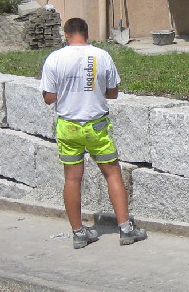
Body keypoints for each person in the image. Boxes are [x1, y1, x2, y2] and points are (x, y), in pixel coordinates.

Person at [40, 17, 148, 248]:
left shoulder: (54, 59)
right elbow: (113, 93)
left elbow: (49, 98)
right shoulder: (102, 56)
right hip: (97, 125)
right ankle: (126, 229)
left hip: (68, 126)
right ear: (87, 34)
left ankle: (79, 233)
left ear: (66, 35)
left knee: (72, 179)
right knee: (112, 173)